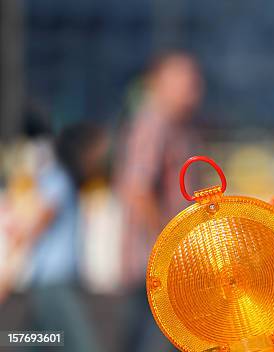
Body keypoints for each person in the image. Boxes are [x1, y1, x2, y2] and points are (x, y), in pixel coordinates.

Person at [115, 51, 203, 352]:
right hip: (154, 267)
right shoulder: (153, 124)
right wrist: (169, 246)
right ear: (157, 83)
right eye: (183, 80)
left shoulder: (178, 126)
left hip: (164, 265)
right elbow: (137, 190)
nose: (194, 87)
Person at [4, 120, 104, 351]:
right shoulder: (60, 180)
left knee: (38, 343)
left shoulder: (61, 181)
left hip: (49, 284)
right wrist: (7, 275)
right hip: (54, 284)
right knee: (83, 345)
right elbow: (35, 225)